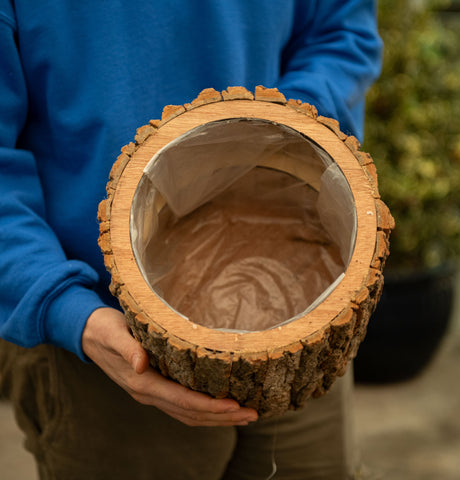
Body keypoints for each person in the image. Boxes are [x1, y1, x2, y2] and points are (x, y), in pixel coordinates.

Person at [0, 1, 382, 478]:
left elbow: (339, 30)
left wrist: (274, 131)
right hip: (102, 350)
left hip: (306, 322)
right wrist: (67, 311)